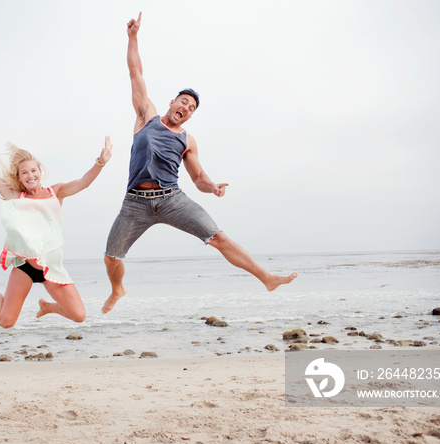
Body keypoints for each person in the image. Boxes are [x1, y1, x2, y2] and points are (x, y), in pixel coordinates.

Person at [102, 13, 297, 314]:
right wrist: (132, 36)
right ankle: (118, 290)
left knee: (218, 237)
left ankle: (267, 278)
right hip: (135, 202)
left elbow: (199, 179)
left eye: (191, 108)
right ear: (172, 102)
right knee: (112, 257)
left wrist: (213, 187)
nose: (186, 108)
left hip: (171, 198)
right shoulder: (146, 116)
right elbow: (135, 72)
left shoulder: (187, 140)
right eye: (183, 102)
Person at [0, 136, 112, 328]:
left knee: (79, 315)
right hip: (25, 267)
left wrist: (101, 162)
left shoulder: (56, 192)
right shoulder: (16, 197)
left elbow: (83, 182)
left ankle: (48, 307)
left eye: (33, 170)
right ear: (19, 177)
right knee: (5, 322)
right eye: (24, 173)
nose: (30, 175)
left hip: (51, 268)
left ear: (40, 171)